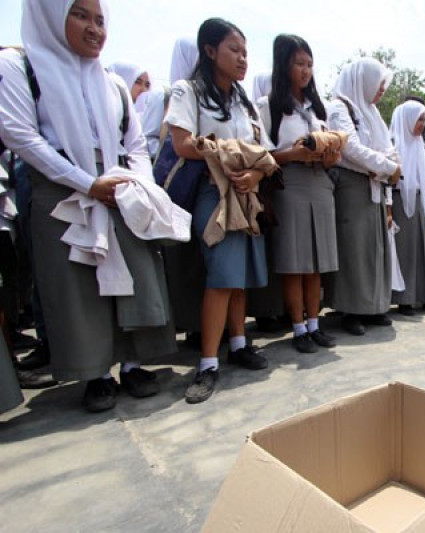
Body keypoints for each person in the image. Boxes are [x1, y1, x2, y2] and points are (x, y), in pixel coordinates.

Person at [0, 0, 176, 412]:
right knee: (78, 283)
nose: (95, 28)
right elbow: (21, 135)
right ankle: (97, 374)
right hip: (61, 185)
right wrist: (86, 183)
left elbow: (133, 142)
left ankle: (133, 364)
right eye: (80, 15)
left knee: (134, 275)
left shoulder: (111, 82)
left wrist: (137, 187)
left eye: (100, 19)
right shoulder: (22, 68)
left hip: (118, 186)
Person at [166, 18, 272, 404]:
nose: (242, 59)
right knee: (222, 275)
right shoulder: (189, 91)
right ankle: (208, 362)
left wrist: (254, 175)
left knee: (239, 276)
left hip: (245, 193)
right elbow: (181, 143)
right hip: (213, 193)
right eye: (234, 50)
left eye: (245, 52)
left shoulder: (243, 101)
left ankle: (239, 343)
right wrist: (229, 156)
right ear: (210, 51)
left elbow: (264, 151)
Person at [260, 34, 341, 353]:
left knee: (316, 262)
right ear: (284, 65)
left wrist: (330, 154)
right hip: (290, 184)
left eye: (309, 64)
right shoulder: (269, 107)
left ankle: (314, 324)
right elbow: (263, 154)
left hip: (320, 182)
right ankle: (298, 328)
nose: (305, 71)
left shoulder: (316, 108)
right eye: (299, 63)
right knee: (295, 262)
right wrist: (293, 154)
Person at [326, 58, 401, 335]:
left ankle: (371, 306)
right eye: (378, 83)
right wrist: (387, 167)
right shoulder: (338, 107)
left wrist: (383, 167)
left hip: (375, 187)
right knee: (353, 249)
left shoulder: (372, 113)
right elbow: (350, 149)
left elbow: (390, 149)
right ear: (363, 80)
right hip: (351, 187)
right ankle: (349, 309)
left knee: (373, 249)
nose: (381, 90)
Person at [389, 100, 425, 315]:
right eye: (418, 119)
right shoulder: (393, 144)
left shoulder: (423, 147)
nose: (421, 124)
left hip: (422, 204)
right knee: (405, 251)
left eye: (424, 119)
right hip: (400, 203)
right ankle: (405, 300)